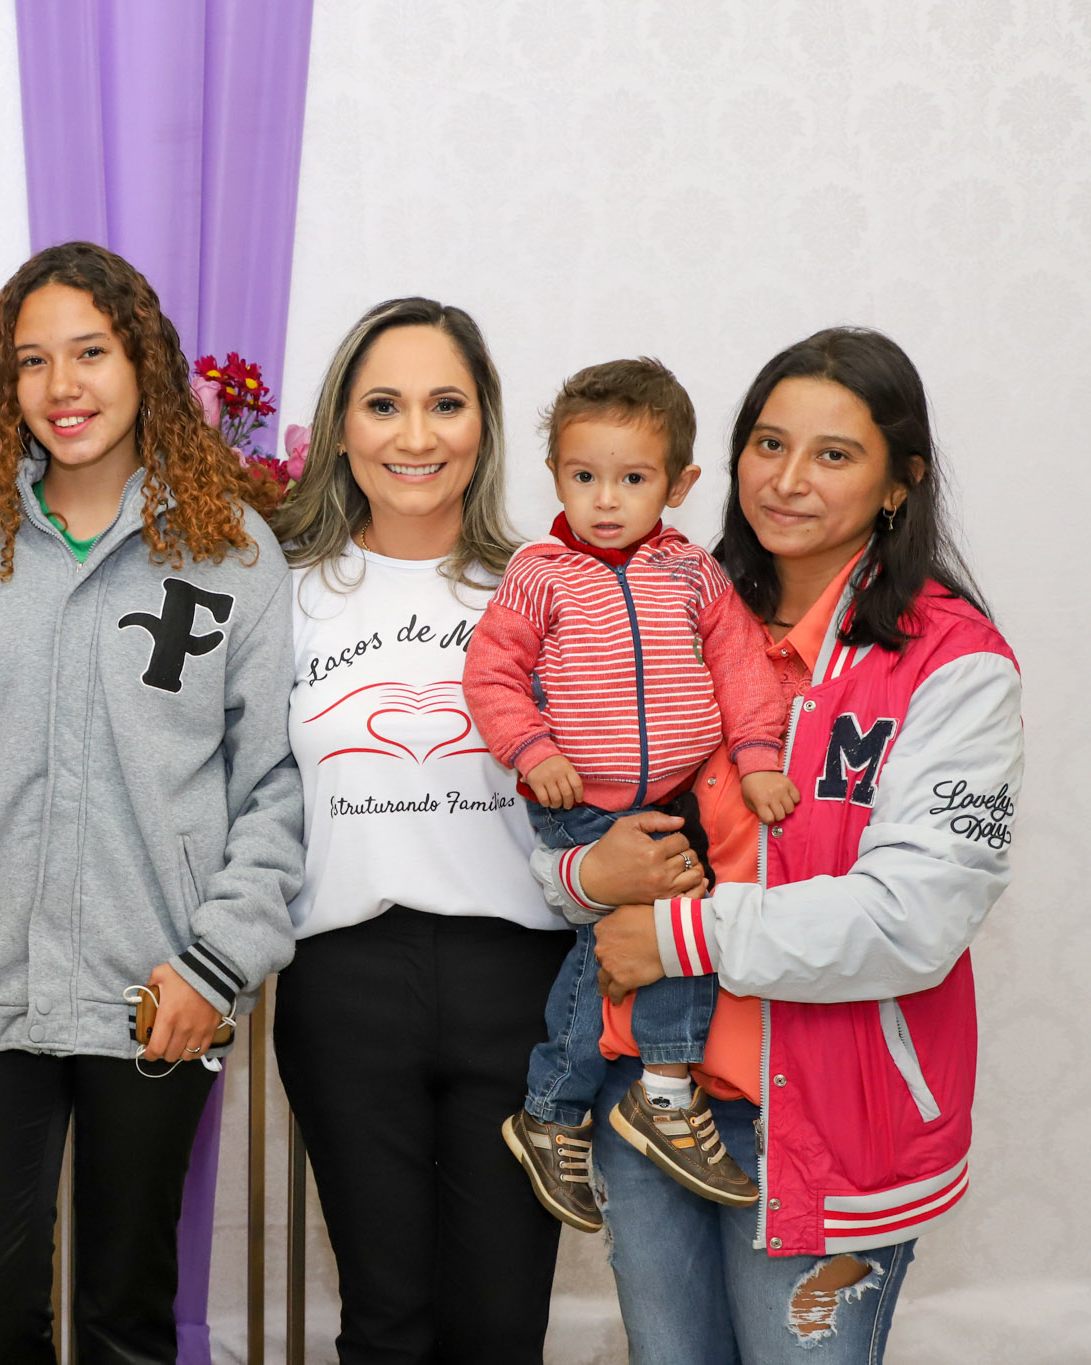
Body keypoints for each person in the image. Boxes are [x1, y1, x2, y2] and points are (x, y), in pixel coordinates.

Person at [0, 241, 303, 1364]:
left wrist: (215, 964)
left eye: (90, 352)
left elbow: (274, 783)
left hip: (157, 997)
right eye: (33, 361)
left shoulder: (233, 554)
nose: (63, 386)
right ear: (3, 385)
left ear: (142, 363)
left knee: (126, 1319)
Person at [271, 300, 707, 1364]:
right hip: (342, 989)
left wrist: (608, 869)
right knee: (384, 1323)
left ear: (485, 424)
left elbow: (632, 773)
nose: (415, 435)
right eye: (383, 405)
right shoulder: (278, 593)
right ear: (339, 427)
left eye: (446, 404)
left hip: (521, 988)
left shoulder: (555, 584)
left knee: (500, 1327)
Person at [580, 328, 1020, 1364]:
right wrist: (583, 872)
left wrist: (679, 935)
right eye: (768, 444)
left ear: (899, 483)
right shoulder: (669, 613)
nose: (785, 480)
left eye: (833, 455)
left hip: (829, 1131)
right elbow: (576, 802)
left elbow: (914, 917)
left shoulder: (955, 664)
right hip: (651, 1102)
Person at [461, 358, 795, 1231]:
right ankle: (570, 1105)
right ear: (554, 475)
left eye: (634, 479)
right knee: (605, 946)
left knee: (681, 934)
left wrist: (759, 758)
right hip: (578, 795)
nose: (606, 499)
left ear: (679, 484)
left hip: (676, 796)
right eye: (584, 477)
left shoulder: (692, 573)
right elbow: (492, 673)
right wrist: (532, 749)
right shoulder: (540, 573)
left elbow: (743, 669)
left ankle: (649, 1093)